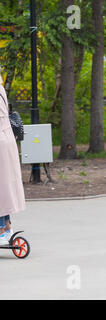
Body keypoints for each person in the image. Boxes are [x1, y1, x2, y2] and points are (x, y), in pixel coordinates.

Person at [0, 73, 26, 245]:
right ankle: (7, 227)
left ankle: (1, 231)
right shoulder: (1, 88)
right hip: (6, 139)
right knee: (4, 189)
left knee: (1, 190)